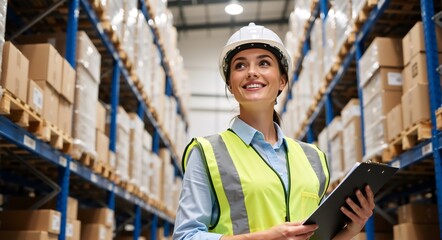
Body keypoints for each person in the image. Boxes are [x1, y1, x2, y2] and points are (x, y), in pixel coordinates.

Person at [173, 23, 375, 240]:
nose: (252, 72)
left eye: (264, 63)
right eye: (240, 66)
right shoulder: (207, 153)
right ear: (231, 85)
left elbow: (318, 237)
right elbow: (185, 236)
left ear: (282, 81)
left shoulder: (313, 158)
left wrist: (352, 227)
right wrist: (263, 238)